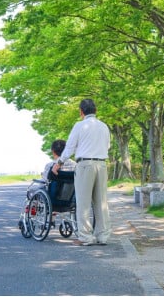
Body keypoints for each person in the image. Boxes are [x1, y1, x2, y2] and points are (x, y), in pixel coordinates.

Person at [52, 98, 111, 246]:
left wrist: (59, 163)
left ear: (81, 112)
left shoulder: (79, 126)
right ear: (96, 111)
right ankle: (102, 236)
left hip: (85, 164)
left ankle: (85, 237)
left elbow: (70, 147)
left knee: (83, 202)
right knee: (101, 202)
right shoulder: (104, 126)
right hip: (102, 165)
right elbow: (107, 146)